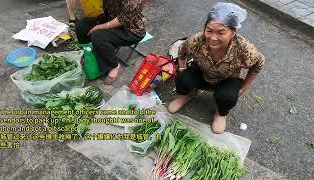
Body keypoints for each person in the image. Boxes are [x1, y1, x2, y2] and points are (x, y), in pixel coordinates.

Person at [167, 2, 266, 134]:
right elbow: (182, 50)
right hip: (201, 72)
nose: (213, 38)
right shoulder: (197, 40)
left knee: (228, 97)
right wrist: (182, 69)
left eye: (221, 33)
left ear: (233, 32)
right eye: (209, 31)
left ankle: (220, 113)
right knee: (182, 78)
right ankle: (188, 94)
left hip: (227, 79)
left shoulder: (244, 49)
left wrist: (245, 87)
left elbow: (258, 63)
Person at [75, 0, 146, 85]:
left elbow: (121, 20)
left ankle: (114, 65)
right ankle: (89, 52)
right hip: (110, 18)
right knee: (81, 25)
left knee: (97, 35)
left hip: (131, 30)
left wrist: (99, 27)